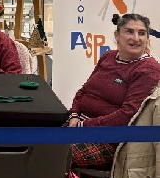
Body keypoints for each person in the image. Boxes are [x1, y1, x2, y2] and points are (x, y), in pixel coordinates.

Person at [68, 13, 160, 170]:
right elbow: (84, 90)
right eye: (129, 31)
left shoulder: (148, 69)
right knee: (33, 144)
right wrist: (74, 115)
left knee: (53, 154)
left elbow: (127, 115)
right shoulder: (109, 56)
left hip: (109, 139)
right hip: (78, 125)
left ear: (147, 38)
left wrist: (84, 125)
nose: (136, 38)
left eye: (141, 33)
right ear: (117, 35)